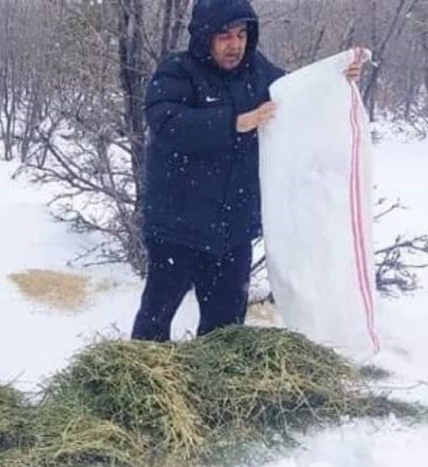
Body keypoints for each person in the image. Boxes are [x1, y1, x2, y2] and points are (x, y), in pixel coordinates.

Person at [132, 0, 365, 341]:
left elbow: (297, 91)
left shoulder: (256, 71)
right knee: (155, 319)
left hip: (232, 231)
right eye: (225, 35)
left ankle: (214, 390)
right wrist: (232, 123)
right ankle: (137, 386)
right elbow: (165, 122)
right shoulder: (177, 72)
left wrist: (335, 77)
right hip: (177, 228)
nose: (235, 44)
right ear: (204, 36)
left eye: (242, 34)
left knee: (225, 331)